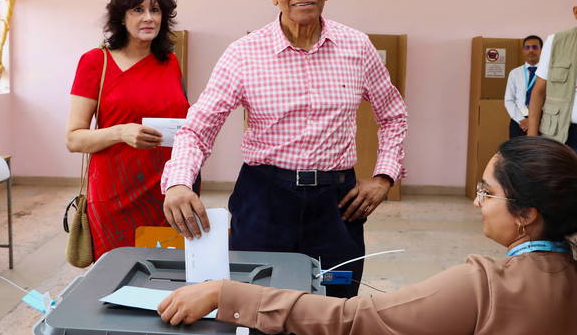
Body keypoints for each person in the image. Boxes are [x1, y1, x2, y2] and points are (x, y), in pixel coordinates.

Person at [161, 0, 408, 298]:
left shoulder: (357, 47)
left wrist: (385, 176)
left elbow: (393, 115)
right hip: (265, 200)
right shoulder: (244, 54)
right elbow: (199, 127)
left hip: (337, 204)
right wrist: (180, 182)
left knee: (335, 305)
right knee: (255, 303)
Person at [157, 136, 577, 334]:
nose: (476, 202)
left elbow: (352, 320)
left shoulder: (484, 286)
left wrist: (222, 294)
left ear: (527, 214)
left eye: (487, 192)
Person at [66, 0, 194, 260]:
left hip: (165, 192)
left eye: (155, 10)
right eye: (138, 9)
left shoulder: (169, 61)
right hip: (115, 195)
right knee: (115, 276)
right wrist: (120, 132)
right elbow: (73, 139)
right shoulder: (95, 62)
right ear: (121, 16)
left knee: (165, 277)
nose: (148, 18)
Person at [528, 7, 577, 152]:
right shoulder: (556, 41)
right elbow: (539, 91)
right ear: (575, 12)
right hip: (559, 136)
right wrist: (532, 138)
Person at [504, 35, 542, 138]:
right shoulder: (515, 73)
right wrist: (521, 120)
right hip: (519, 122)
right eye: (527, 47)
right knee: (517, 153)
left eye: (535, 47)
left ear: (541, 50)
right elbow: (509, 100)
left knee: (538, 152)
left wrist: (533, 120)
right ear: (523, 50)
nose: (531, 50)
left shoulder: (548, 73)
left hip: (542, 121)